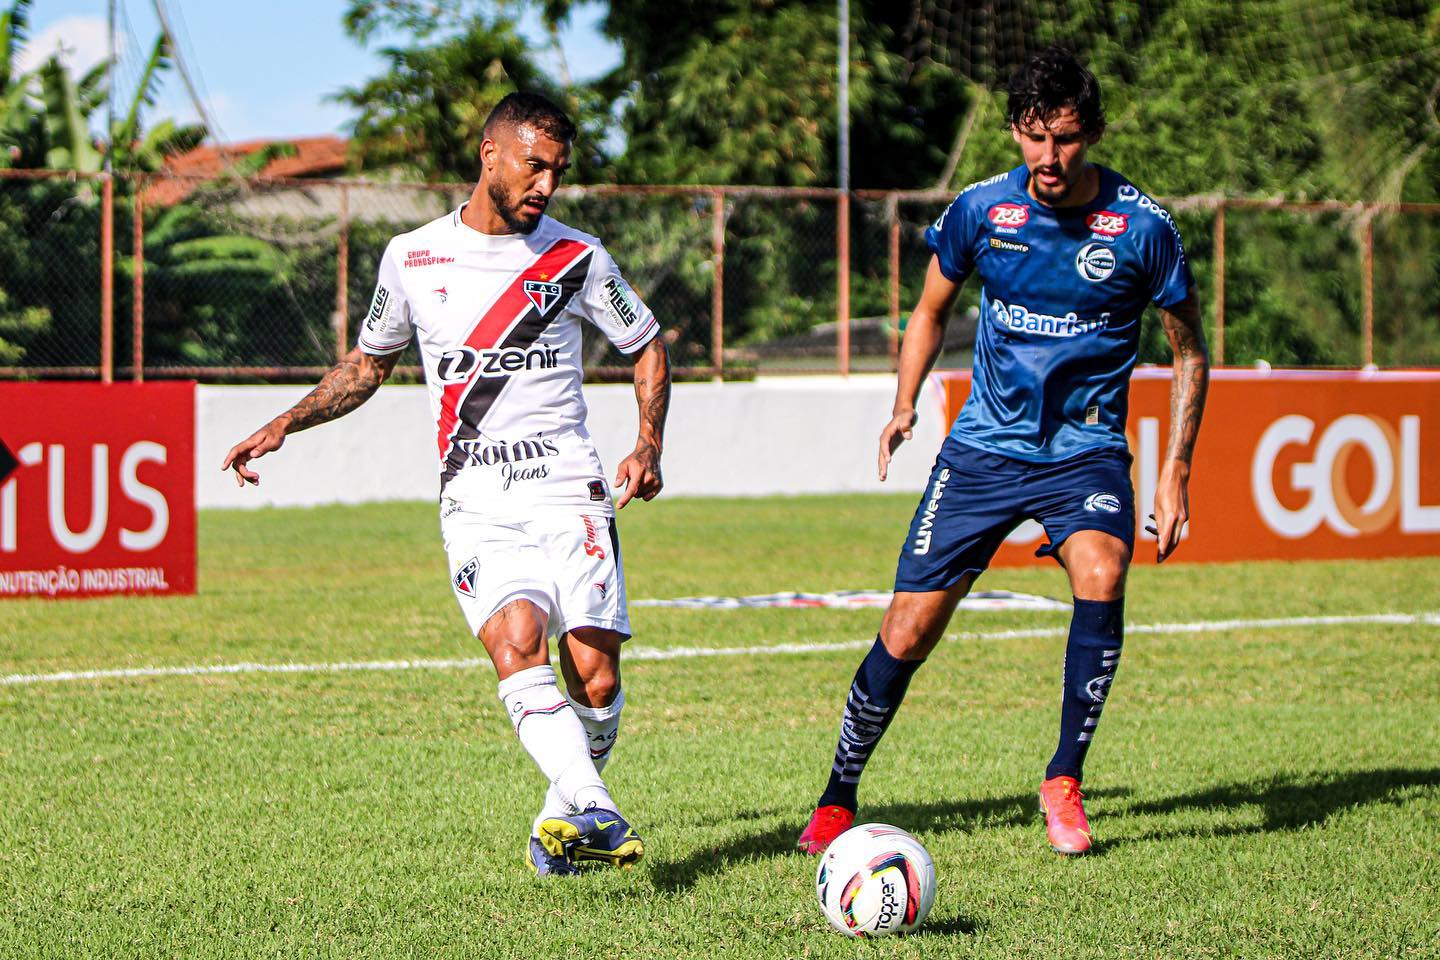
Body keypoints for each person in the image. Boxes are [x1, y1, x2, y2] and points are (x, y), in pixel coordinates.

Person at [222, 92, 670, 876]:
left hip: (569, 486)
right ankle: (597, 809)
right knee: (517, 639)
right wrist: (286, 421)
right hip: (475, 496)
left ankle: (559, 814)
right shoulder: (412, 256)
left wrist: (648, 444)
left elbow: (647, 344)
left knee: (594, 674)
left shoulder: (579, 258)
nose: (546, 187)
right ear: (490, 154)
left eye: (558, 172)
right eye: (534, 166)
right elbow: (369, 364)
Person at [797, 45, 1209, 857]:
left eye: (1063, 139)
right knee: (908, 630)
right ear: (1016, 132)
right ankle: (838, 796)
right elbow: (929, 312)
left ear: (1089, 132)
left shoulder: (1143, 227)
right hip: (983, 448)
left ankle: (1063, 780)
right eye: (1033, 137)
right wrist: (904, 402)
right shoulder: (982, 210)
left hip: (1085, 450)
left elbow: (1189, 349)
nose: (1048, 158)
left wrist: (1176, 467)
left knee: (1104, 570)